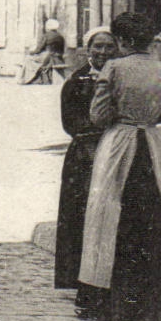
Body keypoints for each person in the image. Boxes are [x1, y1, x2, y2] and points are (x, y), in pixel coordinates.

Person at [76, 12, 161, 321]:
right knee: (157, 218)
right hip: (153, 146)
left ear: (122, 40)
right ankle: (158, 300)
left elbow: (98, 115)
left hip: (120, 144)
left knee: (110, 217)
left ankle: (107, 298)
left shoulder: (113, 68)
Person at [55, 29, 118, 290]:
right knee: (81, 211)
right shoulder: (76, 81)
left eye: (108, 47)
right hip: (85, 154)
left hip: (114, 149)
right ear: (88, 49)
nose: (102, 52)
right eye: (97, 47)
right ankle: (79, 276)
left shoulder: (120, 77)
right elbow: (70, 122)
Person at [20, 18, 68, 85]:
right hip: (58, 58)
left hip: (47, 57)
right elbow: (62, 50)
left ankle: (26, 79)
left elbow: (39, 49)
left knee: (28, 59)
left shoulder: (46, 35)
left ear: (48, 27)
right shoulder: (61, 37)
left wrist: (30, 52)